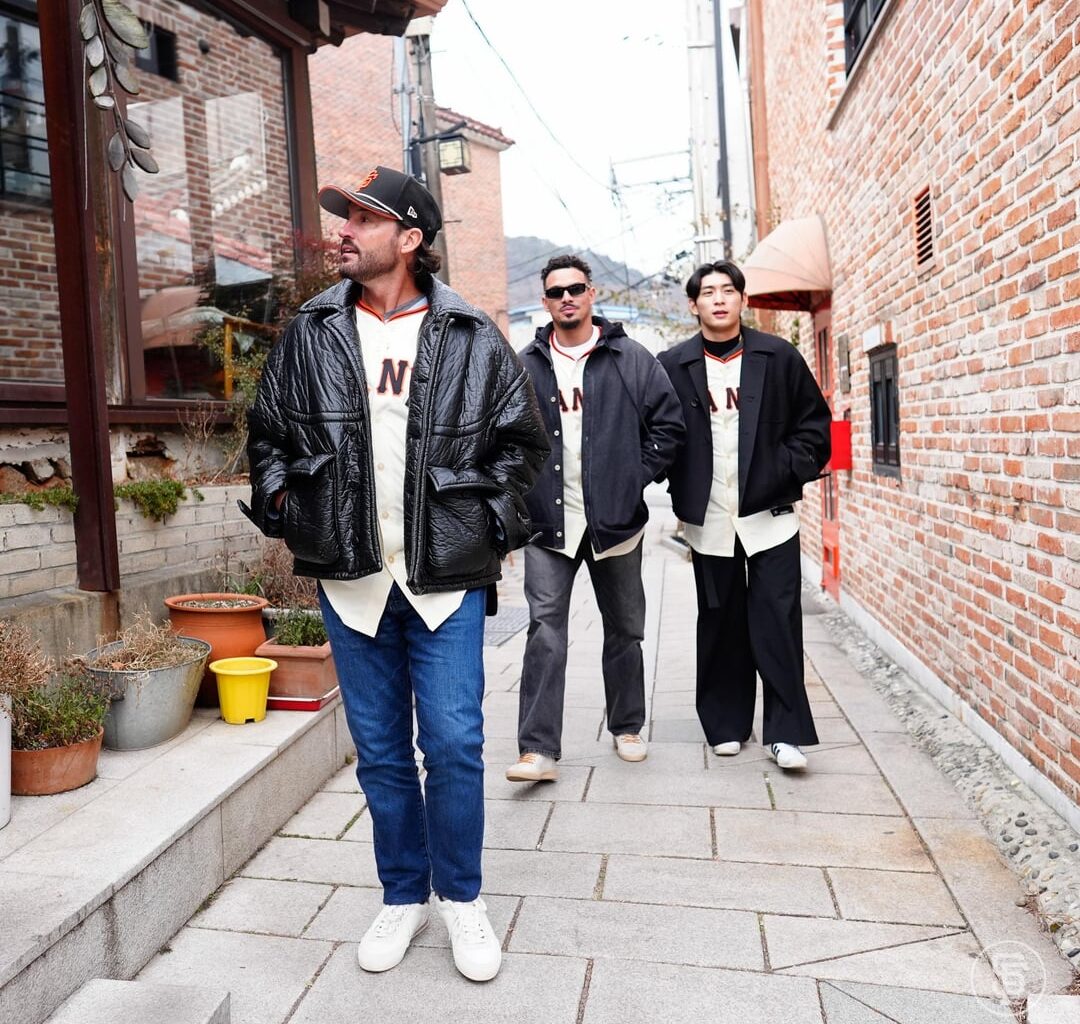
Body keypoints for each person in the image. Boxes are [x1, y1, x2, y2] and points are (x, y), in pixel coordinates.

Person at [241, 166, 549, 981]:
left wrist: (488, 527)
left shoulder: (470, 335)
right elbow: (266, 433)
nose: (343, 230)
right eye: (342, 217)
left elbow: (525, 451)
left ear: (411, 240)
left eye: (363, 219)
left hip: (443, 584)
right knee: (379, 752)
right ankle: (402, 895)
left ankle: (464, 902)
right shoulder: (310, 331)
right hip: (350, 580)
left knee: (453, 745)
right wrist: (282, 504)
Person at [506, 255, 684, 782]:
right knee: (544, 631)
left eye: (576, 288)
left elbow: (669, 427)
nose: (567, 298)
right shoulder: (527, 364)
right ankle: (538, 750)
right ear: (545, 301)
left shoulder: (631, 358)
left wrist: (634, 475)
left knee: (625, 629)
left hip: (617, 521)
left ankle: (627, 726)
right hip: (547, 523)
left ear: (591, 294)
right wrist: (521, 488)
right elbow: (506, 435)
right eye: (556, 291)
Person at [657, 260, 830, 771]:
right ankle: (726, 724)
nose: (718, 299)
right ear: (694, 305)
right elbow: (657, 433)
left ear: (742, 300)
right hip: (708, 519)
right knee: (720, 620)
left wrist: (781, 469)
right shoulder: (673, 364)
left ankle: (785, 733)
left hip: (770, 517)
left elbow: (814, 429)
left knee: (777, 621)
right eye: (707, 292)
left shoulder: (778, 357)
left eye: (727, 291)